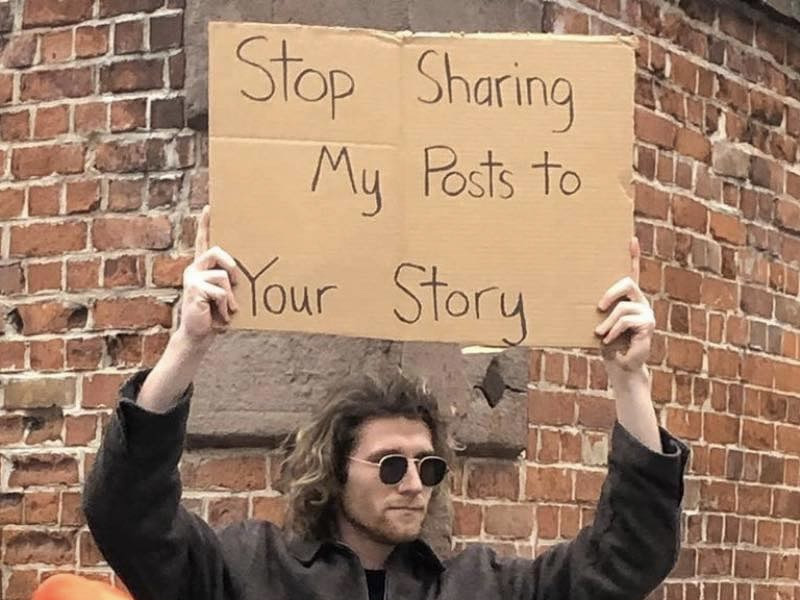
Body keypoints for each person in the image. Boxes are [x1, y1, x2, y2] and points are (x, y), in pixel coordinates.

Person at [82, 206, 689, 600]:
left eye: (429, 466)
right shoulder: (247, 570)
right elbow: (126, 516)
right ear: (334, 471)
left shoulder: (476, 587)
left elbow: (626, 560)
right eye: (391, 464)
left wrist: (629, 380)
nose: (414, 484)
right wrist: (187, 346)